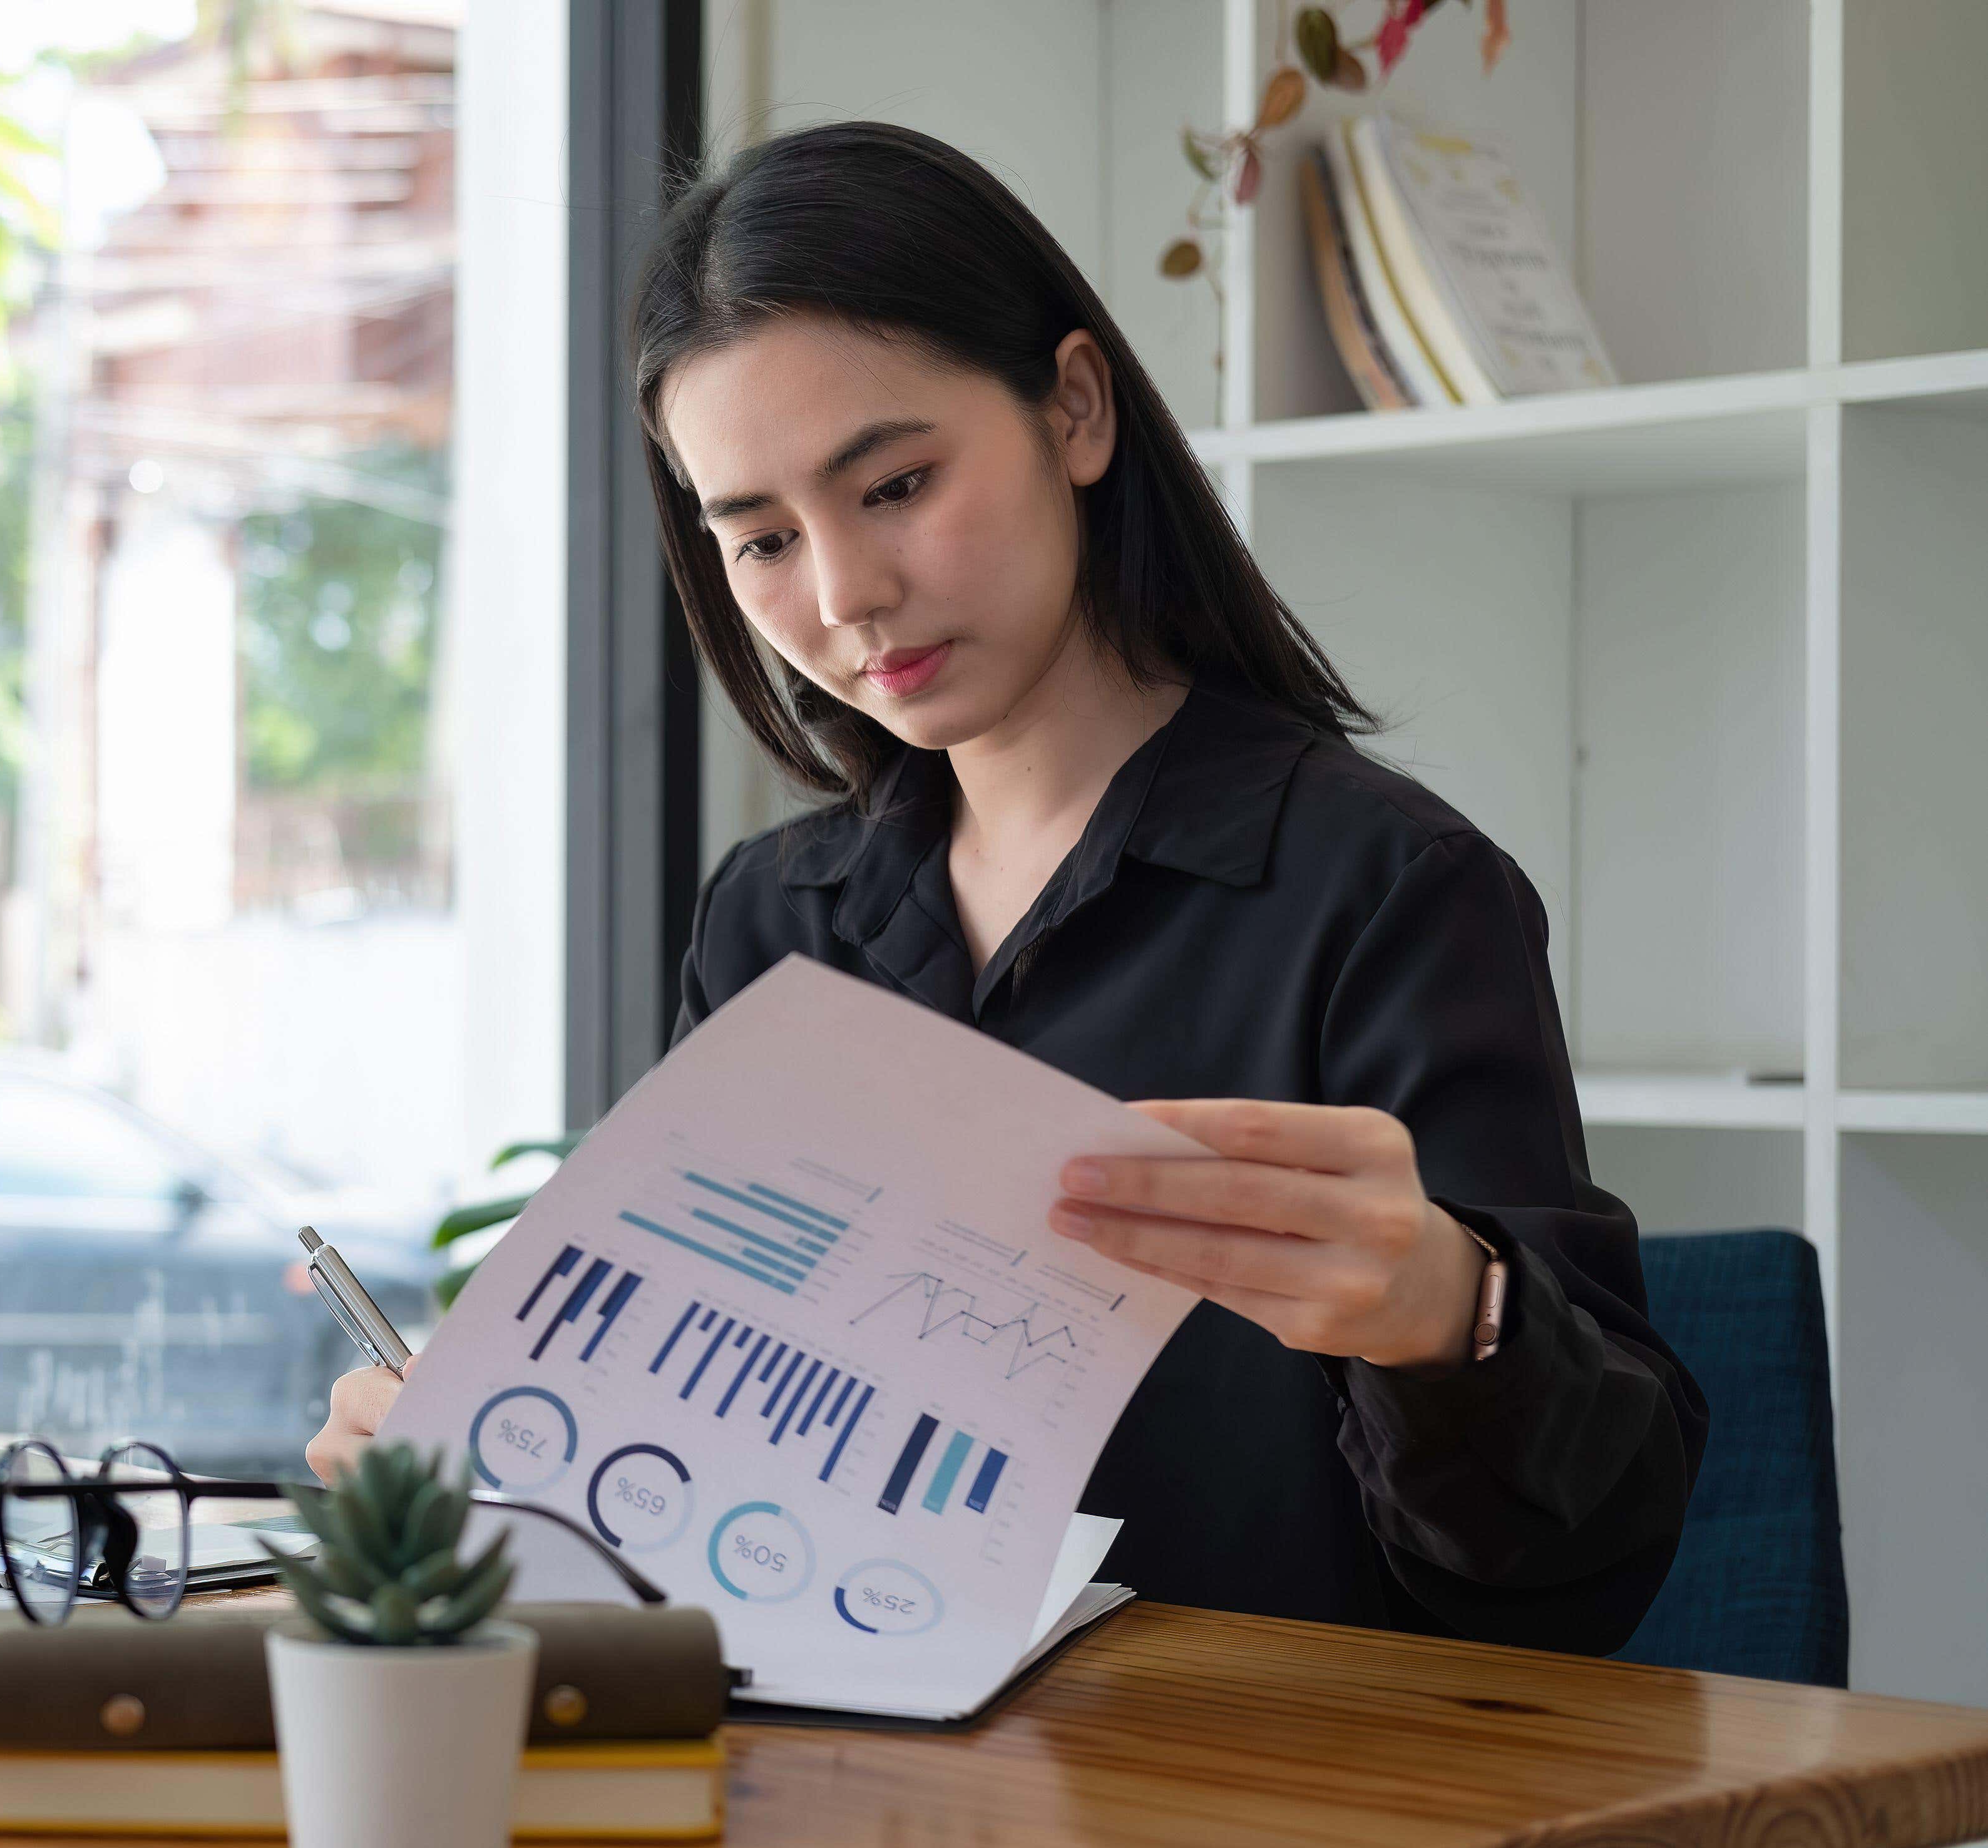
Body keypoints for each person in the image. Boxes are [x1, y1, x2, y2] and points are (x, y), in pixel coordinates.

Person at [310, 121, 1702, 1653]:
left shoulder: (1383, 889)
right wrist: (489, 1459)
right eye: (761, 537)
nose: (842, 596)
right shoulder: (772, 924)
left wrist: (1454, 1316)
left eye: (894, 483)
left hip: (1263, 1809)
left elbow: (1591, 1570)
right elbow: (718, 1472)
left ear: (1075, 409)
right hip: (863, 1802)